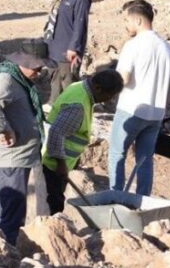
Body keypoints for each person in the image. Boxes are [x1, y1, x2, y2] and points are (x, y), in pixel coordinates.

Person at [0, 40, 54, 244]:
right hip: (10, 160)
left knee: (7, 208)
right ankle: (7, 253)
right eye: (38, 68)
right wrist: (5, 129)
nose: (39, 72)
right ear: (25, 62)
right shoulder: (5, 80)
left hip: (18, 158)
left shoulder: (19, 78)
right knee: (11, 213)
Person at [108, 0, 170, 196]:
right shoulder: (167, 48)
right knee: (145, 159)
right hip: (156, 113)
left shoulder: (133, 45)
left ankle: (115, 197)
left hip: (131, 108)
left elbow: (124, 78)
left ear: (137, 20)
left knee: (117, 154)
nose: (125, 25)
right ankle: (142, 199)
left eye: (126, 20)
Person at [42, 70, 124, 215]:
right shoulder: (78, 106)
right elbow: (56, 133)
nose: (107, 100)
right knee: (54, 203)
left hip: (59, 160)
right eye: (108, 95)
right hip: (53, 164)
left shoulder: (79, 87)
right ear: (98, 87)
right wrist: (61, 165)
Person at [43, 0, 92, 102]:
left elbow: (80, 25)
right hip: (55, 46)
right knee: (54, 81)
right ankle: (54, 110)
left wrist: (73, 48)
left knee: (67, 84)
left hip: (67, 50)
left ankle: (69, 114)